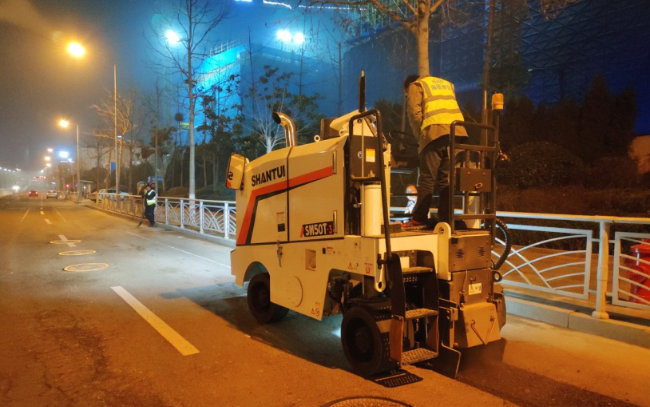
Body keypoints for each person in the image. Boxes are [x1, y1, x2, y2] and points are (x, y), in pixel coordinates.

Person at [403, 74, 468, 227]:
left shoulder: (416, 86)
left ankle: (419, 219)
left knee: (427, 178)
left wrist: (421, 137)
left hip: (435, 132)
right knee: (446, 179)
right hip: (456, 132)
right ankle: (446, 219)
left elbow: (414, 113)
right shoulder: (446, 84)